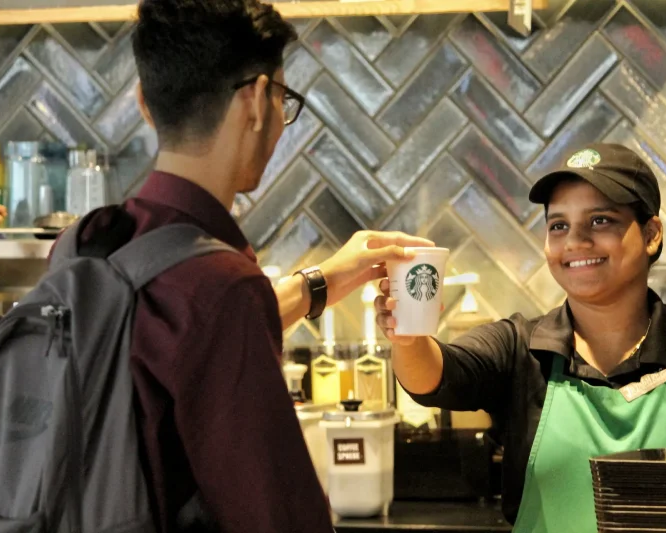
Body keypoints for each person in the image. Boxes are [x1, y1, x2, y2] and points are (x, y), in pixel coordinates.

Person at [52, 1, 432, 532]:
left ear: (143, 103)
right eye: (284, 98)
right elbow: (278, 514)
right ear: (256, 100)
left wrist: (318, 283)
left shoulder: (83, 244)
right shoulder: (223, 287)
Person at [375, 143, 666, 532]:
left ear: (651, 233)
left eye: (600, 220)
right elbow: (434, 378)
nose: (574, 241)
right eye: (558, 225)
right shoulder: (521, 349)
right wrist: (407, 336)